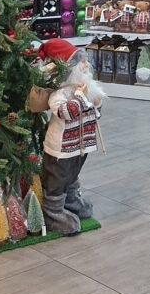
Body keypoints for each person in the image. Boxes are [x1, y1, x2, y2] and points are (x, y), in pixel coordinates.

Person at [37, 40, 105, 234]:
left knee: (73, 174)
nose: (85, 65)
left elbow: (93, 112)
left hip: (81, 146)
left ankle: (71, 199)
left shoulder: (83, 88)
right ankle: (53, 211)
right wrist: (81, 97)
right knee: (58, 178)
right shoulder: (59, 95)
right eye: (79, 62)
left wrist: (96, 103)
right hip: (61, 150)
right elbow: (67, 112)